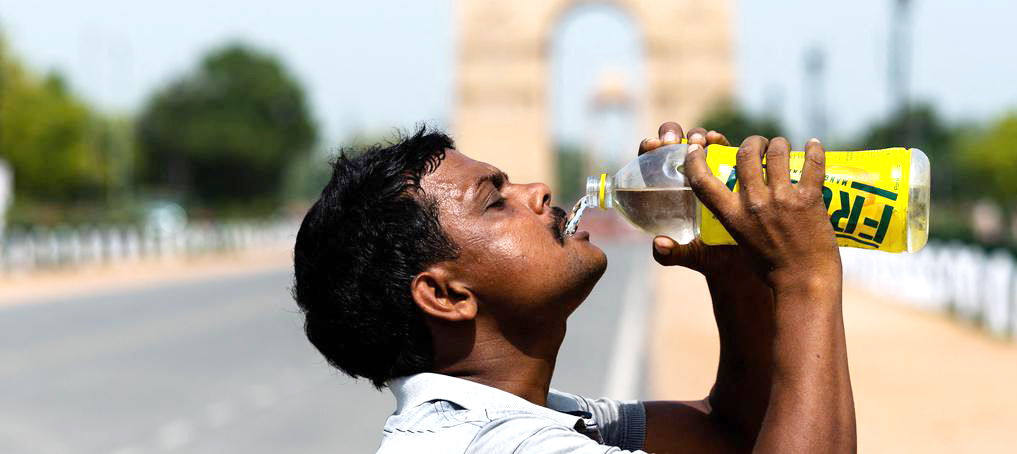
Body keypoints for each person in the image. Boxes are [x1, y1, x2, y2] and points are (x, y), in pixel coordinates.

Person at [293, 122, 856, 453]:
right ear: (447, 295)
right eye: (495, 201)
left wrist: (733, 272)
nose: (538, 189)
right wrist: (805, 280)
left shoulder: (517, 420)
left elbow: (731, 436)